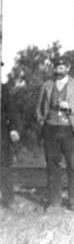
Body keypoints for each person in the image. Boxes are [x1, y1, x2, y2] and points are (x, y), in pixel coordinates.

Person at [36, 56, 74, 211]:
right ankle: (54, 202)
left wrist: (71, 107)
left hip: (70, 130)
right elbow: (39, 107)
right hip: (51, 129)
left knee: (73, 166)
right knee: (53, 166)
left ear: (68, 68)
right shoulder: (47, 85)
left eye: (62, 66)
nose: (59, 68)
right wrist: (42, 121)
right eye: (56, 65)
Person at [1, 68, 21, 209]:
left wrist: (14, 128)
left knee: (4, 168)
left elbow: (12, 111)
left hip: (1, 134)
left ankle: (9, 200)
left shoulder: (3, 90)